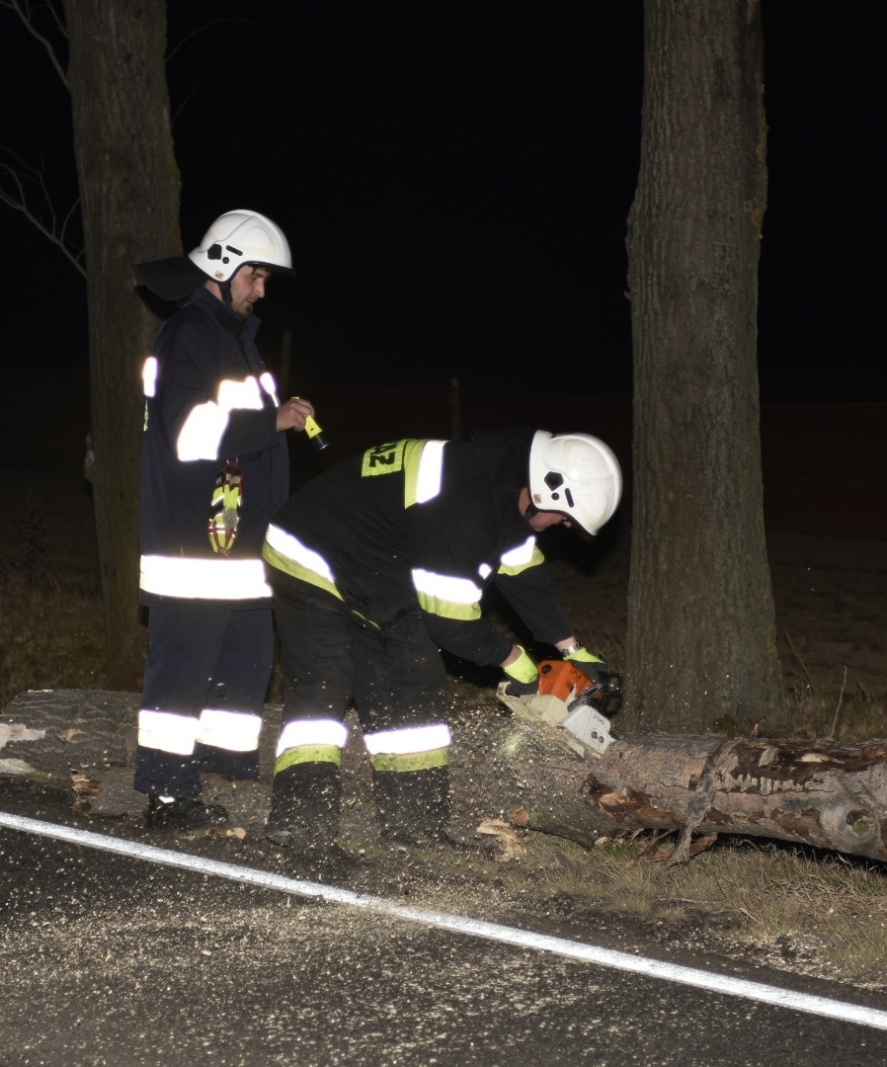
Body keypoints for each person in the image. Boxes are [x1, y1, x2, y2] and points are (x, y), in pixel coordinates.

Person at [260, 427, 623, 848]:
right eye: (564, 517)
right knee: (326, 683)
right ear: (546, 490)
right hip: (310, 554)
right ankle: (301, 828)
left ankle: (415, 828)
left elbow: (526, 578)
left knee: (415, 675)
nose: (561, 526)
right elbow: (452, 625)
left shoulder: (505, 492)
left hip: (378, 571)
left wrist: (571, 649)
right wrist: (514, 661)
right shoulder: (466, 507)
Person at [129, 209, 315, 830]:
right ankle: (165, 789)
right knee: (182, 666)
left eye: (264, 279)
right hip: (193, 542)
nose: (262, 290)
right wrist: (273, 421)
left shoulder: (236, 337)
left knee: (247, 651)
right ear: (222, 265)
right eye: (255, 276)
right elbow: (188, 436)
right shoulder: (188, 335)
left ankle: (221, 762)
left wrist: (283, 412)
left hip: (241, 541)